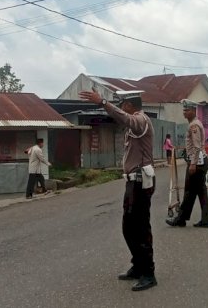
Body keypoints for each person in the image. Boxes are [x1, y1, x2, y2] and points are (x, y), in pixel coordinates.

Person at [78, 88, 157, 292]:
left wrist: (102, 102)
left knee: (139, 228)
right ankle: (138, 265)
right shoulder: (134, 120)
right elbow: (122, 119)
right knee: (129, 227)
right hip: (133, 182)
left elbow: (126, 120)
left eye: (123, 104)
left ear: (130, 105)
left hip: (140, 181)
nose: (122, 108)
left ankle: (148, 273)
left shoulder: (141, 119)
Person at [166, 99, 208, 228]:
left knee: (189, 191)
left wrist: (193, 164)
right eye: (184, 110)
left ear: (193, 111)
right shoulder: (194, 123)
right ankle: (204, 219)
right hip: (200, 161)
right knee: (199, 192)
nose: (184, 113)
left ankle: (181, 219)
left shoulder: (194, 125)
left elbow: (197, 147)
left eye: (186, 110)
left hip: (197, 162)